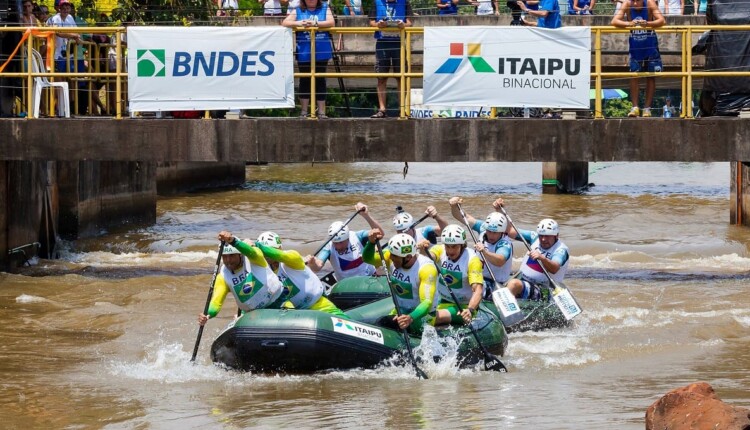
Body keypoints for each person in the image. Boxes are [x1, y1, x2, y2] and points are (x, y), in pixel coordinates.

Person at [197, 236, 287, 327]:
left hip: (277, 301)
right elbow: (216, 302)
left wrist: (234, 241)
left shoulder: (254, 258)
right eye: (225, 257)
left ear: (240, 255)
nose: (228, 261)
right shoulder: (223, 276)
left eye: (232, 256)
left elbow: (252, 252)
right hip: (252, 313)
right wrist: (207, 315)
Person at [255, 230, 348, 316]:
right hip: (297, 314)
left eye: (272, 250)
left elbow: (278, 255)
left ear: (279, 248)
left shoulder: (293, 258)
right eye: (263, 254)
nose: (267, 256)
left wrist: (258, 246)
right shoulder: (263, 272)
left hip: (318, 305)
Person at [492, 199, 571, 301]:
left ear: (556, 236)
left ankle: (508, 311)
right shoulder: (534, 238)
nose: (543, 239)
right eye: (541, 236)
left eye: (547, 236)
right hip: (523, 281)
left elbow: (554, 268)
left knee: (514, 284)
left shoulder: (561, 250)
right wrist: (499, 211)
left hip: (544, 290)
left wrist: (541, 258)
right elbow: (509, 230)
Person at [362, 230, 439, 331]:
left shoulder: (426, 269)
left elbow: (427, 302)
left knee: (385, 324)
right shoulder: (390, 257)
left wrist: (410, 317)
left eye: (395, 256)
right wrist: (371, 243)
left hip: (421, 315)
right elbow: (367, 259)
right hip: (400, 309)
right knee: (380, 323)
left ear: (407, 257)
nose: (391, 257)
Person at [448, 197, 513, 299]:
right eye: (489, 231)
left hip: (494, 283)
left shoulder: (504, 244)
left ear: (502, 232)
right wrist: (454, 207)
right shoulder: (483, 228)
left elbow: (500, 261)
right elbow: (462, 217)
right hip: (477, 276)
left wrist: (484, 251)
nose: (491, 235)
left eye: (495, 233)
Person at [419, 224, 484, 325]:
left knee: (429, 319)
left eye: (454, 247)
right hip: (441, 301)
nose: (450, 251)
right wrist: (423, 249)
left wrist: (470, 310)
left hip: (462, 306)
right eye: (447, 246)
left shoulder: (472, 260)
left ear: (462, 245)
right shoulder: (440, 249)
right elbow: (428, 257)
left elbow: (478, 290)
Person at [611, 0, 665, 118]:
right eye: (633, 1)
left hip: (650, 46)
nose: (635, 4)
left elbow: (661, 20)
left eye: (637, 1)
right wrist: (629, 23)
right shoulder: (627, 4)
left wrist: (647, 23)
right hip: (635, 47)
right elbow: (614, 21)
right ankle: (635, 107)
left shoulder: (650, 3)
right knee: (634, 75)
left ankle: (647, 108)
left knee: (651, 76)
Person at [306, 202, 385, 280]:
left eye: (341, 242)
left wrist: (366, 215)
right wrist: (313, 263)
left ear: (348, 237)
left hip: (369, 278)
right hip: (347, 285)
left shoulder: (358, 236)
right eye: (335, 243)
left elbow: (380, 233)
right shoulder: (328, 246)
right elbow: (317, 267)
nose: (338, 246)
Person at [282, 0, 334, 118]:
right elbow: (285, 22)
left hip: (321, 51)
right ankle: (304, 111)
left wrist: (315, 24)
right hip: (304, 51)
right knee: (305, 80)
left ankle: (321, 112)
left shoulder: (325, 8)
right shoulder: (298, 10)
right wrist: (299, 23)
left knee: (320, 80)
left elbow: (331, 22)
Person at [369, 0, 413, 118]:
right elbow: (371, 22)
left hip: (400, 43)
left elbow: (410, 22)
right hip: (383, 42)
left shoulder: (404, 2)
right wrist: (379, 24)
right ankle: (382, 110)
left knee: (401, 76)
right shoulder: (377, 2)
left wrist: (403, 25)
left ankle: (402, 109)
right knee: (381, 77)